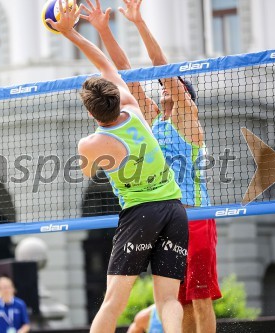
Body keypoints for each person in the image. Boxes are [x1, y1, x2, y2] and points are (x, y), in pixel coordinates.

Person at [46, 2, 188, 333]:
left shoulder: (90, 144)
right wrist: (72, 33)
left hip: (140, 214)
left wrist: (64, 29)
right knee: (168, 301)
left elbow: (85, 172)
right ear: (114, 98)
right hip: (174, 209)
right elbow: (106, 63)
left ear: (93, 114)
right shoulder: (133, 107)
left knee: (113, 302)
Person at [80, 1, 221, 332]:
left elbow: (160, 65)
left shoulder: (188, 120)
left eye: (172, 86)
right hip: (165, 216)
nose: (165, 88)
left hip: (195, 215)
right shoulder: (154, 121)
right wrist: (103, 30)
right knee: (178, 302)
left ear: (184, 94)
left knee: (200, 300)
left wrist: (139, 23)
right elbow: (124, 72)